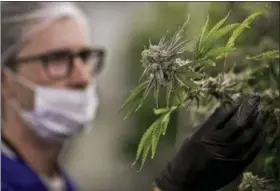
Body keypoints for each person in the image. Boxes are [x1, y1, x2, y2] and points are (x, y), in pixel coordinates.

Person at [1, 2, 272, 191]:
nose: (83, 76)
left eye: (84, 56)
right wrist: (174, 185)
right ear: (4, 79)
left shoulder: (58, 183)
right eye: (57, 58)